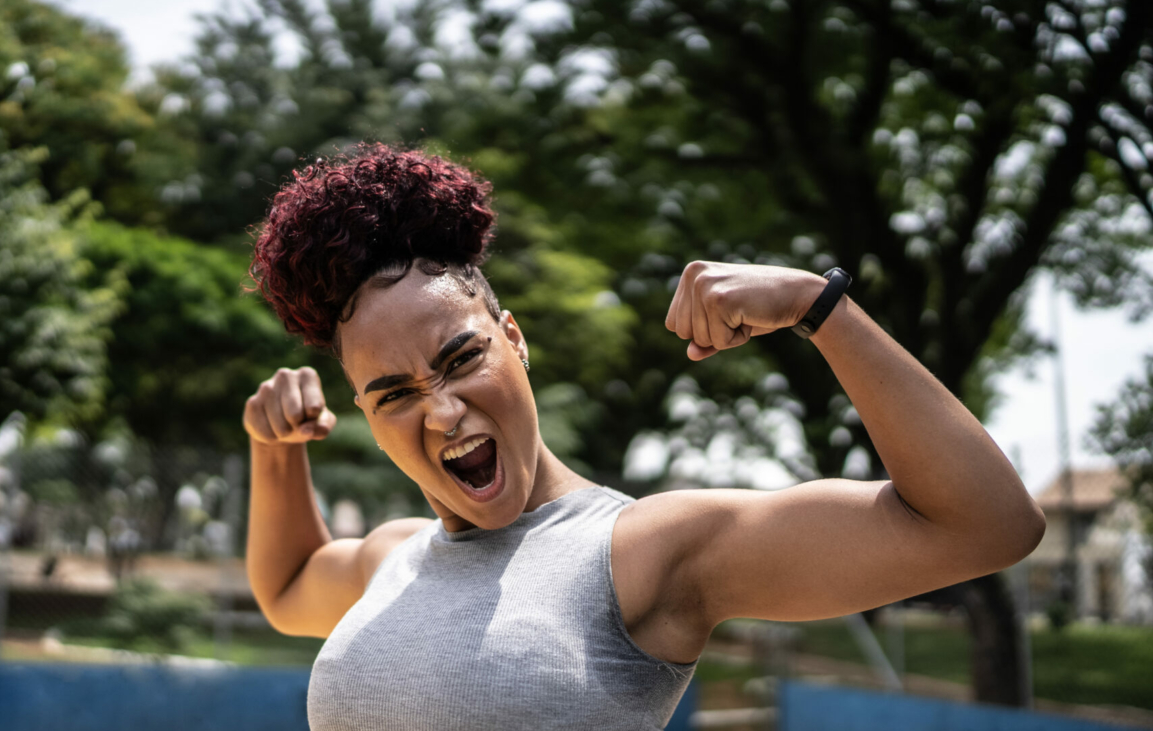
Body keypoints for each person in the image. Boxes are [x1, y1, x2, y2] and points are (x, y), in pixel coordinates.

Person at [243, 144, 1045, 730]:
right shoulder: (394, 556)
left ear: (514, 339)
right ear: (364, 412)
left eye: (462, 358)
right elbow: (285, 588)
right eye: (395, 395)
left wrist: (819, 309)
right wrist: (274, 450)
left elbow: (985, 525)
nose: (444, 411)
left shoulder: (641, 551)